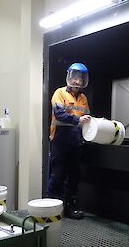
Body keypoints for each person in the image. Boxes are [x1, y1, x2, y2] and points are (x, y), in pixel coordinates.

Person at [47, 63, 91, 219]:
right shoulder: (59, 93)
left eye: (80, 79)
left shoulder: (83, 98)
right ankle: (52, 207)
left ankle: (70, 206)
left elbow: (87, 119)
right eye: (74, 77)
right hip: (60, 140)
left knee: (74, 175)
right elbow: (59, 115)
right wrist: (78, 119)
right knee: (57, 174)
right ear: (69, 77)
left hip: (76, 141)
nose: (77, 81)